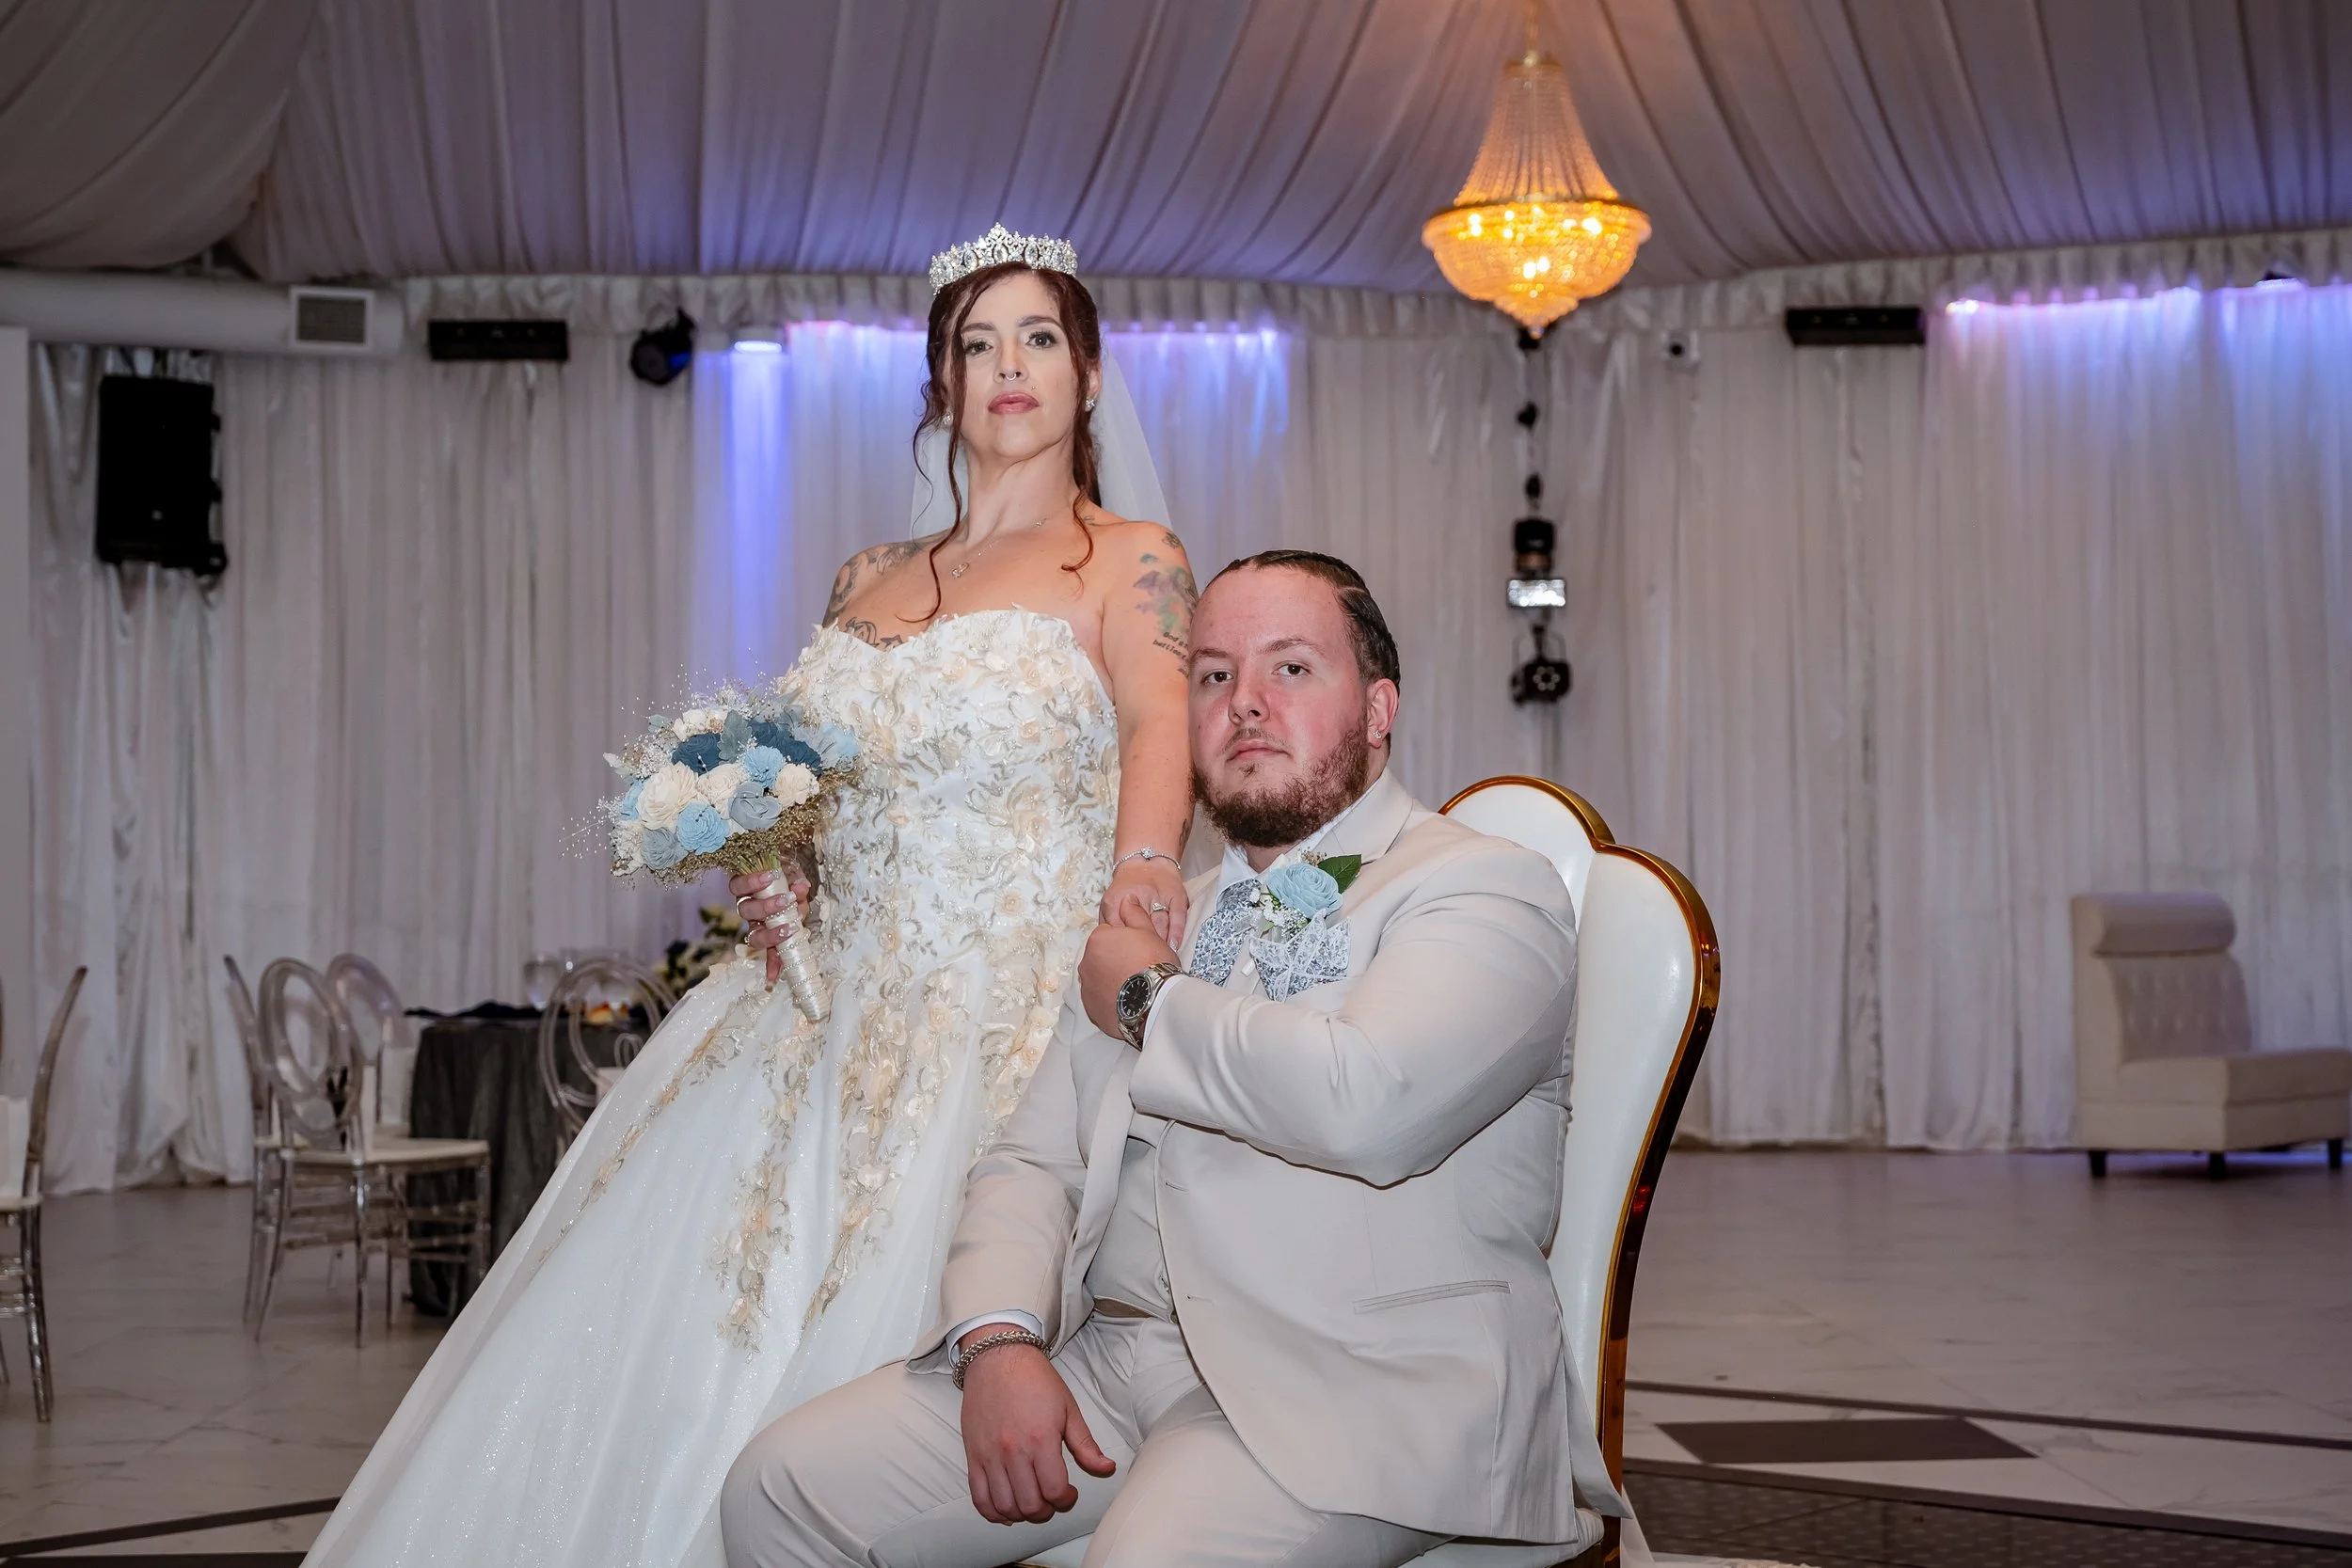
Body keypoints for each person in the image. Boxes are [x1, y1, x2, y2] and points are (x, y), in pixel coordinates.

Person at [301, 228, 1197, 1568]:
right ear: (941, 385)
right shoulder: (867, 576)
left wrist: (1141, 888)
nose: (1008, 366)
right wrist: (772, 862)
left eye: (1038, 338)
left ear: (1086, 371)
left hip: (1005, 1016)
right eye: (976, 343)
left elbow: (1158, 729)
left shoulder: (1129, 560)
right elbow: (813, 773)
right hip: (808, 1007)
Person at [719, 550, 1630, 1568]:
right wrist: (1001, 1340)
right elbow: (1033, 1163)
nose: (1243, 703)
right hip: (1114, 1359)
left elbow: (1367, 1102)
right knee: (779, 1488)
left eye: (1290, 669)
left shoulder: (1480, 887)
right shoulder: (1166, 912)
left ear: (1378, 708)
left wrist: (1149, 997)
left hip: (1350, 1382)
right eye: (1212, 675)